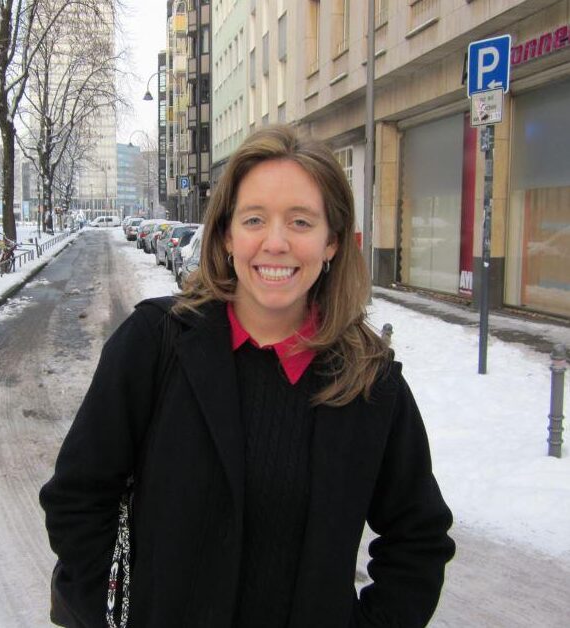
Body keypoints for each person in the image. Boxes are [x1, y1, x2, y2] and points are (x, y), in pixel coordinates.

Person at [40, 125, 455, 628]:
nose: (275, 243)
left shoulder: (369, 382)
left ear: (332, 243)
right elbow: (77, 499)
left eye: (301, 222)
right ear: (227, 234)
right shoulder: (154, 344)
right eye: (254, 218)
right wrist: (113, 616)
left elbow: (419, 538)